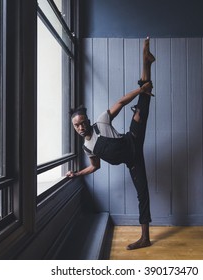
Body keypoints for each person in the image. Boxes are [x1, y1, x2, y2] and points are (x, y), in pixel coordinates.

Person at [66, 37, 155, 250]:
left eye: (81, 123)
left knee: (143, 102)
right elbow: (95, 166)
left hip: (133, 138)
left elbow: (121, 103)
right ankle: (146, 238)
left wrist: (139, 91)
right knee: (142, 193)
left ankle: (146, 62)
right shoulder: (87, 147)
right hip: (132, 161)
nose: (79, 128)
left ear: (86, 121)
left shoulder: (100, 122)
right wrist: (77, 174)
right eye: (75, 126)